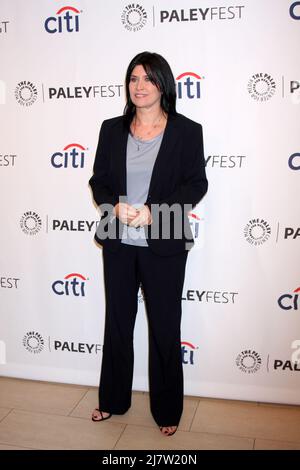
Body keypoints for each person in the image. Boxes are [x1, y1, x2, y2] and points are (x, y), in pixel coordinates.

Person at [89, 51, 208, 436]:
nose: (140, 86)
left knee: (165, 326)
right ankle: (112, 400)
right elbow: (99, 180)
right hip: (120, 241)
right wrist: (115, 206)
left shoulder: (187, 131)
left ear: (163, 85)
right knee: (118, 323)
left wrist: (155, 212)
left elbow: (196, 183)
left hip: (165, 238)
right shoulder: (111, 128)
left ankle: (168, 409)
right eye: (134, 78)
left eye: (148, 79)